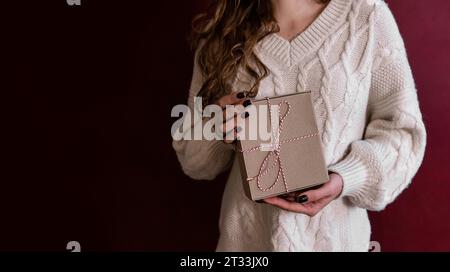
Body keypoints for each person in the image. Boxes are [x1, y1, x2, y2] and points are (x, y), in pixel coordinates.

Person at [172, 0, 426, 251]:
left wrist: (346, 177)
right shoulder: (223, 31)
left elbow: (404, 135)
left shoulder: (366, 15)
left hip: (337, 243)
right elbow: (193, 162)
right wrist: (216, 124)